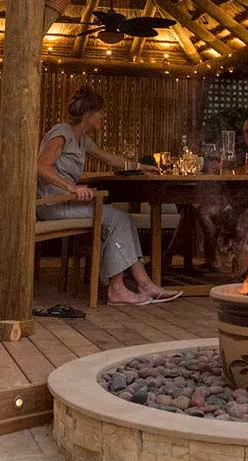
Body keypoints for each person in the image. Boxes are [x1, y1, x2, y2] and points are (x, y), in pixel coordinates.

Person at [35, 86, 181, 305]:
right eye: (101, 113)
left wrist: (142, 166)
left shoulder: (82, 138)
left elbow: (110, 159)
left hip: (65, 201)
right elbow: (41, 166)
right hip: (52, 203)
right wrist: (72, 188)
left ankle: (144, 283)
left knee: (123, 220)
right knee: (117, 219)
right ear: (89, 115)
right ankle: (117, 288)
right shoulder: (62, 132)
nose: (104, 117)